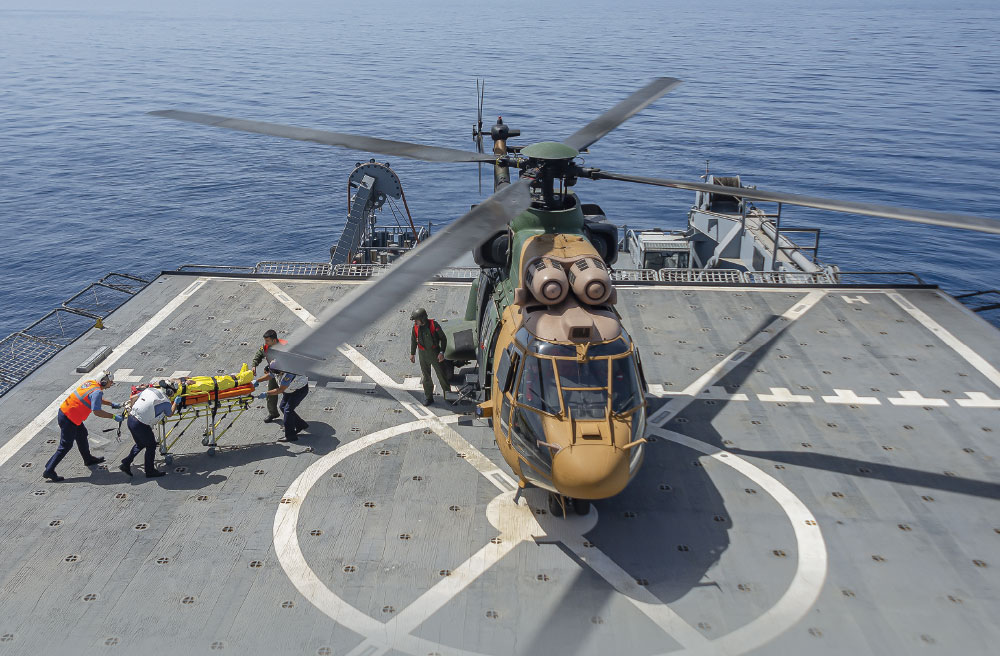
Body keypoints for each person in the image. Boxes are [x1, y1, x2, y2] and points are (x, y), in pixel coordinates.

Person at [43, 370, 120, 482]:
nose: (111, 383)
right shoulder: (97, 392)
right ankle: (49, 470)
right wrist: (113, 417)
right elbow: (97, 411)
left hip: (66, 413)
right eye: (110, 382)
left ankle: (88, 459)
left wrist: (111, 404)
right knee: (65, 445)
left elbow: (94, 398)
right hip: (70, 419)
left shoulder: (90, 383)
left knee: (82, 434)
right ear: (103, 382)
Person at [119, 380, 183, 478]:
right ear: (170, 392)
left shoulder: (150, 390)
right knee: (151, 446)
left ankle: (126, 463)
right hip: (141, 425)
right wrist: (175, 403)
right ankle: (150, 471)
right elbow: (170, 413)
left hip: (131, 419)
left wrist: (135, 409)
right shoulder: (165, 402)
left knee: (140, 444)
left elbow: (132, 398)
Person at [255, 356, 308, 442]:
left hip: (299, 391)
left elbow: (280, 390)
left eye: (278, 373)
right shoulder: (277, 366)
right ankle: (300, 424)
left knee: (288, 410)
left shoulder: (288, 374)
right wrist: (257, 381)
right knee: (282, 407)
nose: (277, 374)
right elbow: (270, 375)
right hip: (290, 390)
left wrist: (266, 393)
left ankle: (291, 436)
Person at [409, 308, 449, 406]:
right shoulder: (415, 328)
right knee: (426, 377)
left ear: (422, 319)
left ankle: (448, 396)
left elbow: (443, 339)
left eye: (417, 320)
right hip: (423, 354)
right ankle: (429, 397)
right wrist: (412, 353)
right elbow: (413, 340)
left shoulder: (434, 325)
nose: (415, 322)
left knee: (441, 375)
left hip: (435, 353)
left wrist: (441, 352)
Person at [251, 329, 287, 424]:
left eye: (267, 341)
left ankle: (290, 417)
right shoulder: (266, 347)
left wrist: (268, 368)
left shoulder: (285, 348)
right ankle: (273, 413)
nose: (265, 343)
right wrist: (254, 365)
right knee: (271, 394)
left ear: (274, 340)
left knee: (288, 397)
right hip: (274, 373)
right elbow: (259, 354)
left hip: (286, 375)